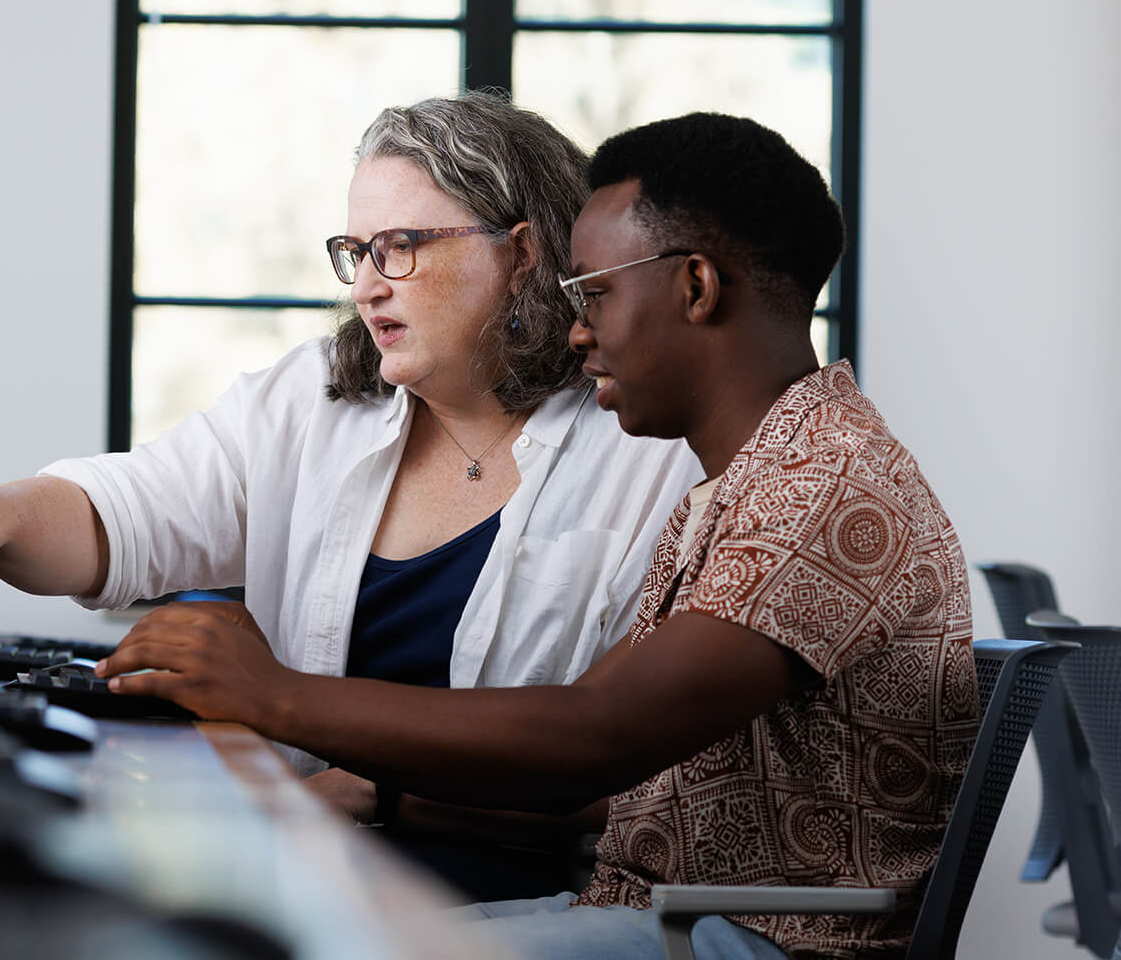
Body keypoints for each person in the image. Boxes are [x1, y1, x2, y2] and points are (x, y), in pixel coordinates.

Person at [90, 113, 978, 959]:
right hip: (650, 913)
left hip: (753, 942)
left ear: (695, 288)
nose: (579, 332)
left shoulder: (821, 487)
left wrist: (272, 695)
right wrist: (374, 794)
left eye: (593, 294)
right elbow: (612, 785)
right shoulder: (748, 478)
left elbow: (592, 735)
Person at [0, 92, 701, 898]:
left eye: (401, 246)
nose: (367, 284)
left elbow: (654, 763)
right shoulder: (314, 401)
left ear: (520, 253)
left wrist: (380, 791)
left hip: (522, 902)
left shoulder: (646, 446)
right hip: (310, 875)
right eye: (356, 252)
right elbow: (128, 515)